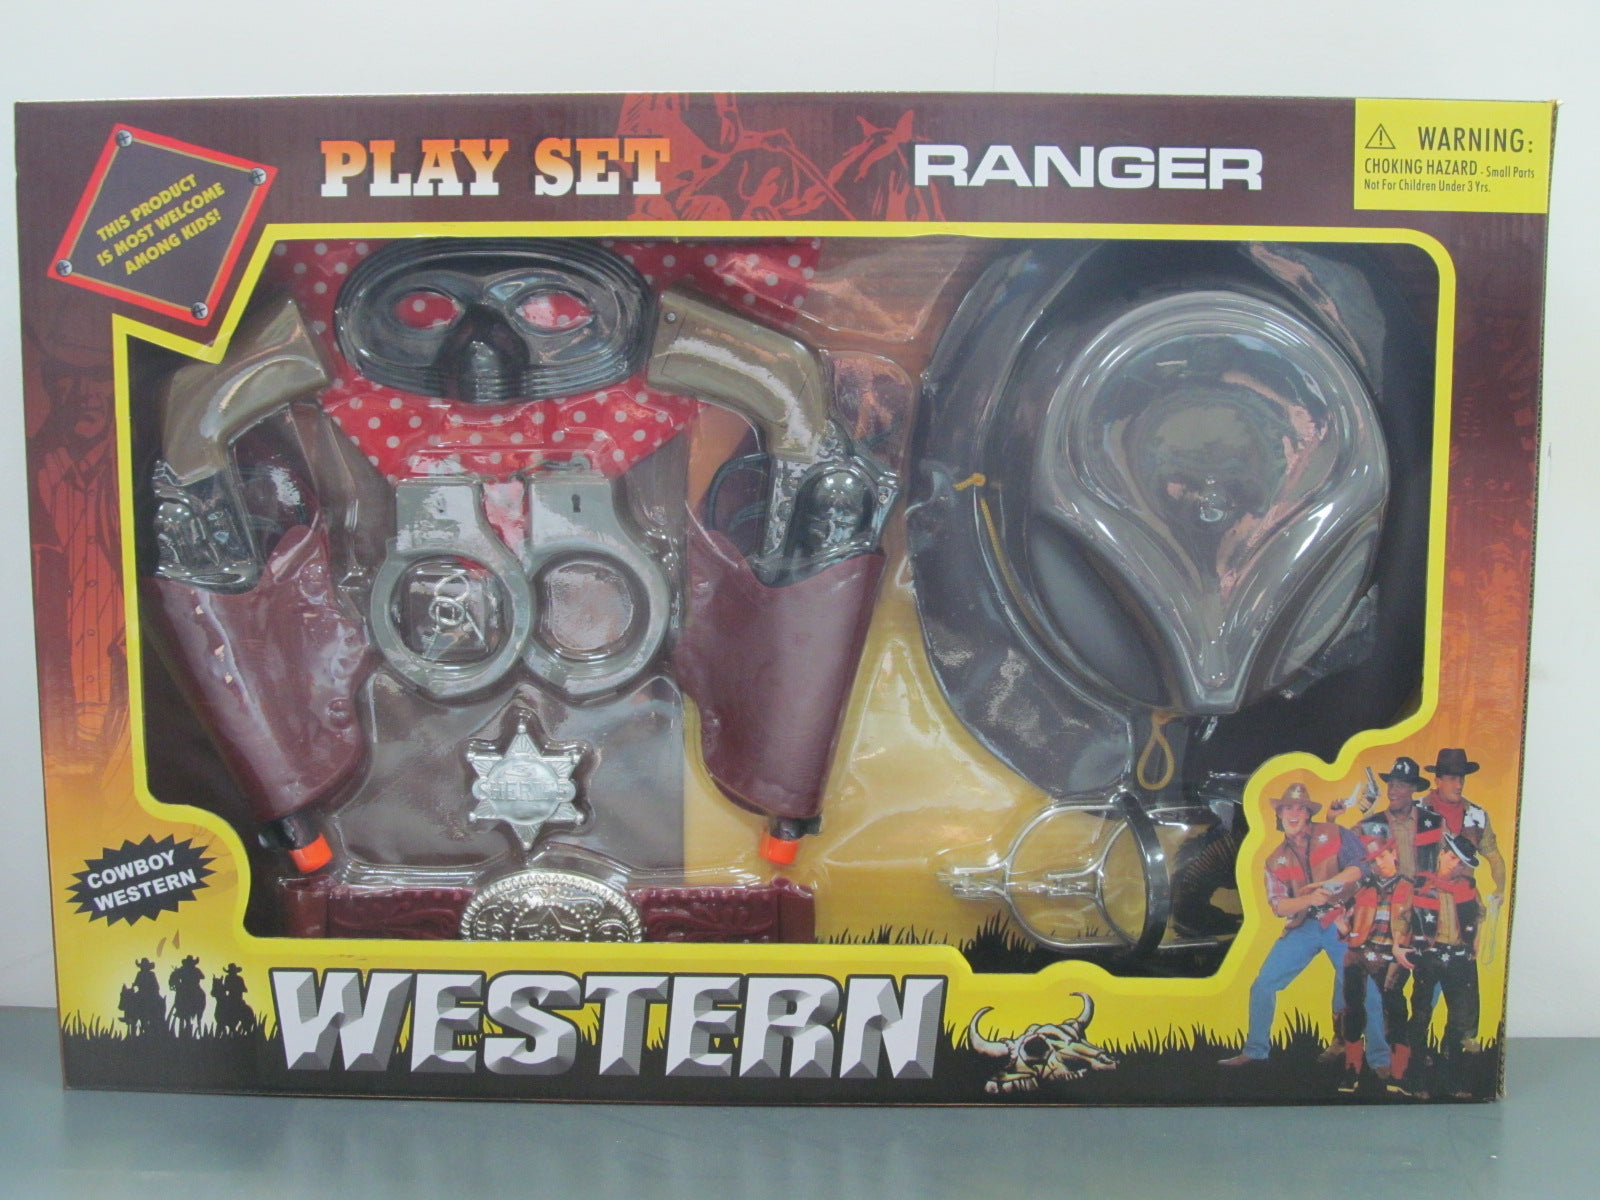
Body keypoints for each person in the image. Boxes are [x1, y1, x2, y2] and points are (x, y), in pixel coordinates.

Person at [1220, 784, 1388, 1069]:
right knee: (1263, 984)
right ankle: (1255, 1051)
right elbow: (1279, 906)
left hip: (1342, 922)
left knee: (1364, 987)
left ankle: (1380, 1060)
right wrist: (1309, 899)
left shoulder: (1334, 833)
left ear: (1308, 813)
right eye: (1287, 808)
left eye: (1300, 808)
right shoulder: (1274, 859)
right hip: (1304, 926)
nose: (1293, 813)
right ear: (1279, 814)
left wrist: (1331, 884)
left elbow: (1361, 866)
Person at [1396, 830, 1483, 1098]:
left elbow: (1479, 915)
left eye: (1461, 863)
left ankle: (1453, 1077)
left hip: (1459, 956)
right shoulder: (1421, 883)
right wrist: (1399, 944)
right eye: (1452, 858)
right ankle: (1415, 1077)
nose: (1455, 866)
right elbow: (1403, 915)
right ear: (1443, 854)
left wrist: (1476, 942)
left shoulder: (1468, 888)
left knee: (1461, 1018)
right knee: (1421, 1015)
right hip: (1429, 955)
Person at [1339, 835, 1414, 1092]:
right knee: (1353, 1010)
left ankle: (1398, 1075)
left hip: (1392, 956)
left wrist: (1406, 948)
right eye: (1373, 860)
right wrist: (1342, 926)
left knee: (1395, 1010)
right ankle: (1352, 1071)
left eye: (1382, 856)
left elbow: (1420, 924)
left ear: (1394, 853)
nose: (1378, 863)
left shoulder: (1411, 888)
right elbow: (1346, 921)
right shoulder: (1362, 889)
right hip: (1359, 953)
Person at [1349, 756, 1445, 879]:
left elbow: (1450, 861)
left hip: (1424, 890)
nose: (1392, 792)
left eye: (1400, 786)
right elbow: (1345, 850)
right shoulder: (1370, 824)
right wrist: (1368, 815)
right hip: (1389, 891)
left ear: (1414, 788)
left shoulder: (1435, 822)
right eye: (1391, 785)